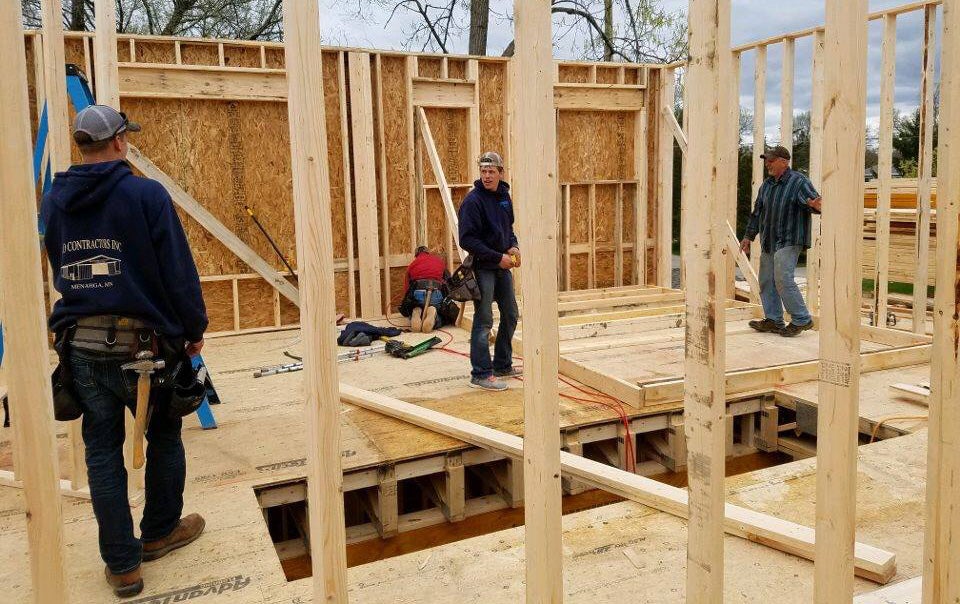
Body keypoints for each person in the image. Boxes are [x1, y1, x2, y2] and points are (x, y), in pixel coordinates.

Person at [41, 105, 208, 598]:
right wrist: (193, 328)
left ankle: (122, 567)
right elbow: (176, 269)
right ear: (118, 142)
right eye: (126, 139)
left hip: (83, 348)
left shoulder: (54, 201)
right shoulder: (144, 194)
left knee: (101, 452)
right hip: (145, 347)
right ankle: (158, 532)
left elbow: (62, 270)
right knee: (164, 436)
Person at [740, 145, 823, 337]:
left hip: (789, 238)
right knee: (767, 280)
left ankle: (802, 319)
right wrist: (748, 236)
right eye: (766, 160)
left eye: (771, 160)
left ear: (784, 162)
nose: (767, 164)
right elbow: (757, 213)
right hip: (769, 239)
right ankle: (774, 320)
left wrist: (816, 206)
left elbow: (815, 204)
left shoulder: (798, 182)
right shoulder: (767, 186)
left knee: (783, 278)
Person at [458, 151, 521, 391]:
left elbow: (509, 228)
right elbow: (467, 240)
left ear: (500, 173)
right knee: (484, 320)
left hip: (502, 266)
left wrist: (513, 245)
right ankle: (481, 373)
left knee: (511, 313)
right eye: (483, 171)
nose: (486, 176)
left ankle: (502, 364)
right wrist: (498, 257)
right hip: (484, 267)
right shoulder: (473, 201)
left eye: (491, 171)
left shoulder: (504, 197)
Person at [401, 246, 450, 332]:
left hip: (418, 294)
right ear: (428, 252)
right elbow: (448, 282)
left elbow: (407, 290)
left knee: (414, 310)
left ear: (416, 255)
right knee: (442, 315)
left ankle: (416, 312)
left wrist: (409, 306)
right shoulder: (438, 261)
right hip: (435, 293)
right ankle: (433, 311)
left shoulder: (412, 265)